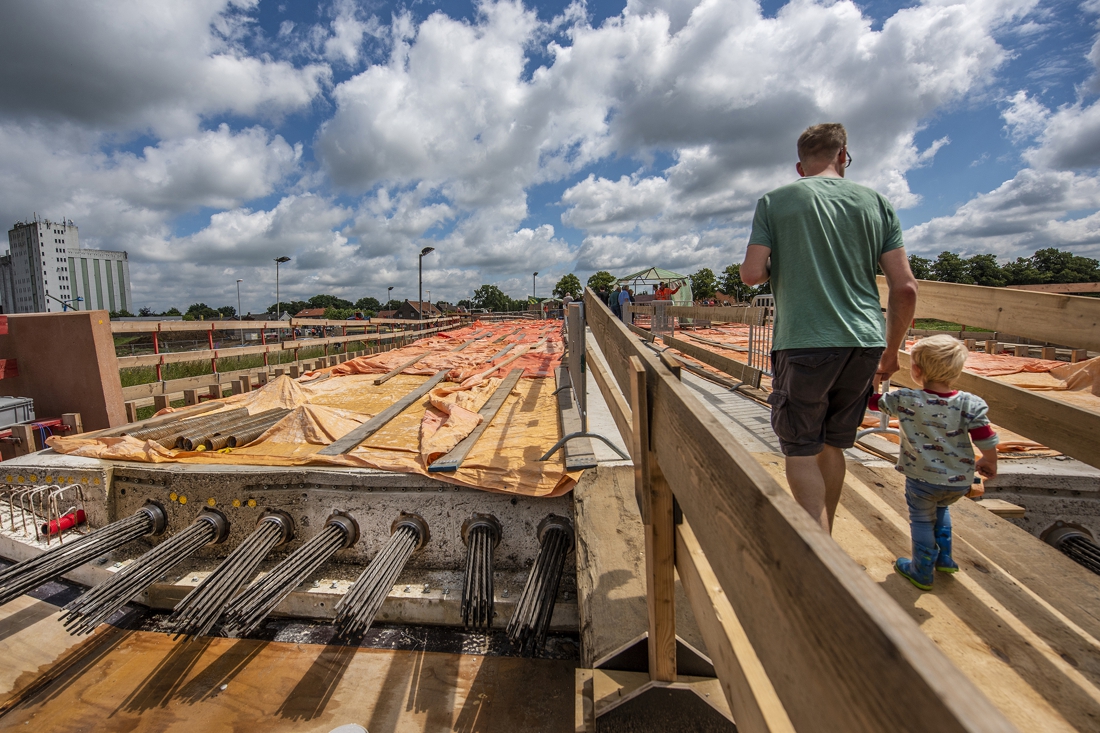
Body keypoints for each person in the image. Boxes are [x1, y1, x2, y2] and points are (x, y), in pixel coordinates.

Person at [741, 122, 918, 534]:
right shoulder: (876, 203)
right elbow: (905, 287)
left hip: (805, 341)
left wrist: (776, 265)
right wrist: (891, 354)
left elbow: (752, 274)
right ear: (843, 156)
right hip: (865, 342)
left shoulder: (776, 201)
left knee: (801, 449)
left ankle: (818, 559)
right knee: (834, 445)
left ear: (800, 166)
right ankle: (828, 538)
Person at [869, 335, 997, 589]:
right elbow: (985, 436)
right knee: (942, 510)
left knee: (921, 520)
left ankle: (922, 568)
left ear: (916, 370)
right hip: (958, 481)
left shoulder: (905, 400)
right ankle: (945, 557)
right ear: (958, 370)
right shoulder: (969, 403)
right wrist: (989, 461)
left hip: (922, 480)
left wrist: (875, 377)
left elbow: (873, 403)